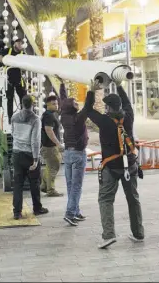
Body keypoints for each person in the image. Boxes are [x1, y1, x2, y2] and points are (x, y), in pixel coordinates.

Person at [84, 80, 144, 249]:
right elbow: (127, 103)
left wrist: (91, 91)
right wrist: (119, 85)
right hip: (130, 166)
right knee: (133, 199)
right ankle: (138, 233)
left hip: (111, 167)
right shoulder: (129, 117)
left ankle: (109, 235)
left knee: (105, 199)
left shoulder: (104, 121)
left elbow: (88, 110)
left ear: (109, 108)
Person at [11, 95, 49, 220]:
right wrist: (36, 159)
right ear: (32, 104)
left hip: (17, 153)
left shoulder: (14, 117)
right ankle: (37, 208)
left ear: (22, 103)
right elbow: (35, 140)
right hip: (29, 154)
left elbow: (13, 133)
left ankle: (17, 212)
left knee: (18, 184)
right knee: (34, 182)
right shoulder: (35, 119)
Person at [59, 82, 90, 226]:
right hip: (78, 154)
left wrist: (61, 85)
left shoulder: (64, 116)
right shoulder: (78, 119)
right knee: (76, 186)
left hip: (68, 153)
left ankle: (76, 211)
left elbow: (63, 100)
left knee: (71, 185)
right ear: (72, 107)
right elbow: (88, 106)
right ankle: (70, 213)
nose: (78, 104)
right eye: (75, 103)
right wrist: (92, 90)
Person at [0, 38, 27, 123]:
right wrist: (6, 61)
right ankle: (10, 119)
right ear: (15, 43)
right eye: (20, 43)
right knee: (9, 99)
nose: (21, 45)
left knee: (23, 98)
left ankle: (24, 116)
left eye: (22, 44)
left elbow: (25, 67)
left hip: (18, 79)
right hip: (8, 79)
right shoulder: (7, 51)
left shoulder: (23, 54)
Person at [40, 95, 63, 197]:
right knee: (54, 167)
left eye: (57, 103)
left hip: (48, 146)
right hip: (50, 147)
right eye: (53, 104)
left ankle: (44, 186)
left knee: (50, 167)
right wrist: (58, 144)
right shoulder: (49, 115)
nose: (56, 105)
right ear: (47, 105)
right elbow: (49, 130)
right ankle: (51, 190)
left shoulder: (49, 114)